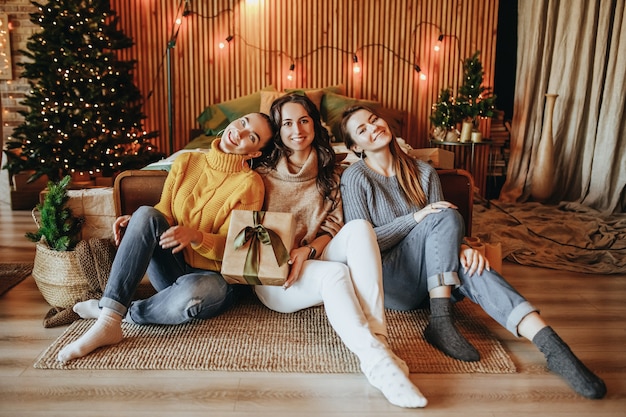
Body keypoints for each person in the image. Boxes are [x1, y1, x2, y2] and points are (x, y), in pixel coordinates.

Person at [338, 105, 607, 400]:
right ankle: (441, 320)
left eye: (374, 120)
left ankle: (553, 347)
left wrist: (463, 248)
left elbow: (441, 229)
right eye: (362, 130)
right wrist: (415, 218)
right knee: (444, 215)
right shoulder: (355, 178)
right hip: (391, 281)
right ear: (355, 145)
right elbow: (361, 242)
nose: (373, 128)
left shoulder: (424, 172)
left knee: (471, 265)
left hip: (431, 278)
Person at [57, 112, 276, 363]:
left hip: (215, 279)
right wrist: (136, 221)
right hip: (172, 265)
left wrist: (196, 237)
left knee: (194, 292)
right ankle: (110, 320)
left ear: (255, 153)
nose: (240, 131)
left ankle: (108, 313)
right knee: (145, 213)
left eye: (252, 136)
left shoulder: (250, 184)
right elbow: (165, 212)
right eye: (243, 122)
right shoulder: (186, 162)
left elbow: (237, 249)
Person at [253, 93, 427, 408]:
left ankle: (379, 341)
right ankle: (376, 363)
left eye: (304, 120)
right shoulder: (260, 175)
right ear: (277, 132)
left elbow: (334, 227)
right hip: (275, 276)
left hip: (310, 257)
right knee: (335, 274)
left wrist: (308, 250)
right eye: (287, 123)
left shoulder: (332, 172)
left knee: (360, 228)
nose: (297, 130)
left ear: (314, 124)